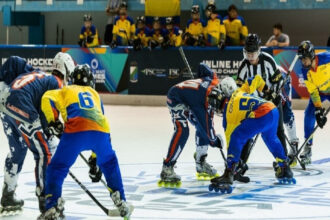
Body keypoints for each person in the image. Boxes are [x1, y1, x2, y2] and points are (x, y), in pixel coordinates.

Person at [38, 64, 133, 219]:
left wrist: (53, 121)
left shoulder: (67, 90)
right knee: (110, 163)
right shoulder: (95, 95)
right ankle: (121, 200)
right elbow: (102, 121)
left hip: (75, 131)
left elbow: (46, 98)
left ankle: (52, 206)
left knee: (57, 167)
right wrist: (95, 160)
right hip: (101, 134)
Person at [0, 52, 75, 215]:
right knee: (43, 153)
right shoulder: (56, 83)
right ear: (66, 71)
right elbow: (46, 114)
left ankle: (8, 195)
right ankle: (46, 201)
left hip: (6, 106)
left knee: (18, 151)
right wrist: (51, 131)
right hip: (22, 106)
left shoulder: (41, 76)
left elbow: (42, 110)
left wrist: (48, 130)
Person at [208, 75, 296, 193]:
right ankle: (284, 168)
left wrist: (233, 164)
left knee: (237, 135)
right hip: (272, 109)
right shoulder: (240, 91)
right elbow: (255, 79)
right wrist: (268, 91)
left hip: (262, 114)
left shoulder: (228, 113)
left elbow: (232, 140)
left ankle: (228, 174)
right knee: (271, 138)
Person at [158, 63, 225, 187]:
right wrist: (215, 141)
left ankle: (201, 163)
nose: (216, 110)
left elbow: (201, 66)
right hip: (176, 97)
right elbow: (208, 130)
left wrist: (199, 79)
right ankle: (167, 167)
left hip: (190, 98)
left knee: (201, 127)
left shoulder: (214, 80)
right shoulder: (202, 105)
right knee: (182, 130)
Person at [235, 34, 288, 181]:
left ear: (259, 50)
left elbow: (278, 81)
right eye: (247, 53)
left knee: (278, 131)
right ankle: (240, 163)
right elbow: (239, 89)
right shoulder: (243, 66)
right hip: (253, 105)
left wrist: (275, 95)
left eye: (253, 53)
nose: (250, 57)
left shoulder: (268, 61)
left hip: (271, 103)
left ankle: (283, 164)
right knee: (245, 132)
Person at [297, 40, 330, 165]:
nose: (303, 61)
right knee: (309, 114)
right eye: (301, 59)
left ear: (311, 55)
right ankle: (308, 146)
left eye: (305, 58)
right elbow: (313, 90)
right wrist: (318, 109)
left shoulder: (327, 57)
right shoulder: (305, 70)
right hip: (320, 93)